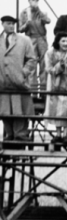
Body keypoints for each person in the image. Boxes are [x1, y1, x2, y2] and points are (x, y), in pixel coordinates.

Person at [0, 15, 37, 145]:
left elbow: (32, 59)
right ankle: (8, 142)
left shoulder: (24, 40)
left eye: (13, 24)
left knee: (20, 114)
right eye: (8, 23)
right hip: (2, 85)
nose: (11, 26)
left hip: (19, 85)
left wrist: (23, 72)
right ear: (2, 24)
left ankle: (19, 146)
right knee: (5, 114)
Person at [44, 32, 67, 145]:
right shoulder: (50, 52)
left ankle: (65, 135)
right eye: (63, 41)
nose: (65, 43)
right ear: (58, 41)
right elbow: (49, 69)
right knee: (57, 110)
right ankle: (58, 134)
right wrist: (59, 66)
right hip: (56, 85)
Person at [19, 0, 50, 94]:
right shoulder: (24, 12)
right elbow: (20, 29)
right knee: (32, 65)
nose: (35, 2)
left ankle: (43, 92)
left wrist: (39, 11)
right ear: (29, 0)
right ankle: (32, 92)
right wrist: (27, 22)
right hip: (30, 39)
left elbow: (48, 20)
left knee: (44, 65)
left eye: (37, 0)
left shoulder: (41, 12)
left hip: (41, 39)